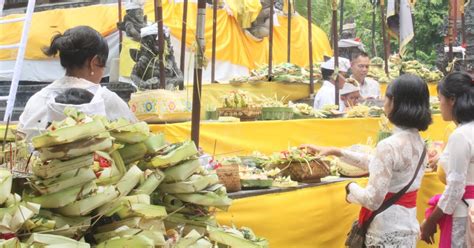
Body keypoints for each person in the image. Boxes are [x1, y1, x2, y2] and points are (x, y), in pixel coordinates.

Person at [303, 74, 432, 247]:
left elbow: (372, 200)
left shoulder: (389, 145)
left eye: (386, 97)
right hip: (408, 227)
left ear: (393, 102)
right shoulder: (420, 143)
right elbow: (376, 163)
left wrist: (350, 189)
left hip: (385, 229)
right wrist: (338, 152)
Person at [18, 26, 136, 140]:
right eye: (104, 65)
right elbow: (135, 133)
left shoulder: (37, 98)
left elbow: (21, 137)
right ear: (94, 62)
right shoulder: (105, 98)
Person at [421, 71, 474, 248]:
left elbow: (455, 189)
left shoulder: (460, 135)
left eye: (440, 98)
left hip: (464, 213)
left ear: (452, 100)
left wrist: (430, 221)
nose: (439, 103)